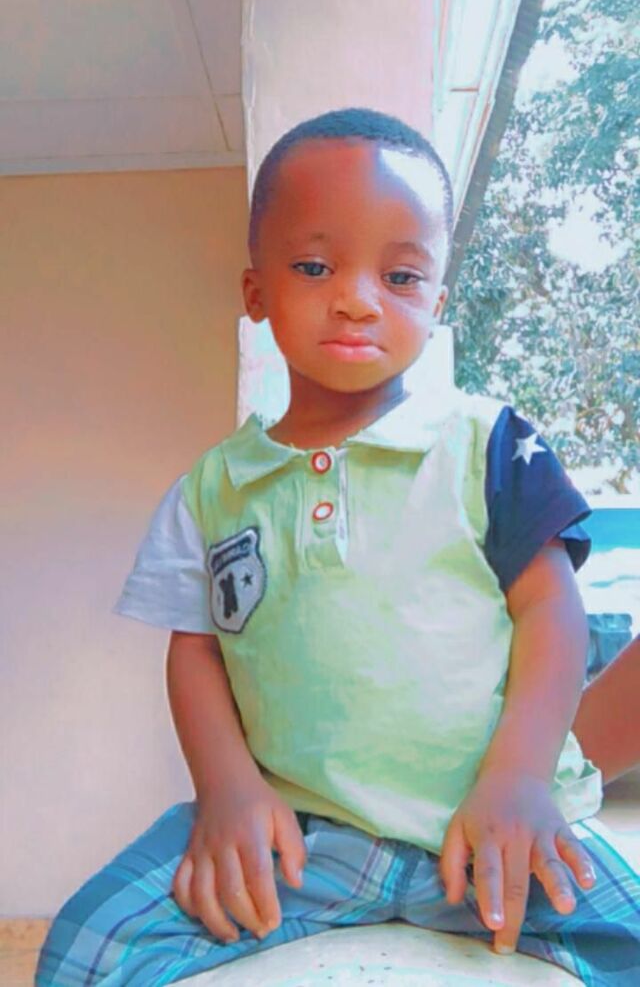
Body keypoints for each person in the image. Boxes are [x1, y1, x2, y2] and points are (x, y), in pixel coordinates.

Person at [37, 109, 639, 986]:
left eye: (400, 275)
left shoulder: (488, 445)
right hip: (300, 841)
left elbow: (552, 608)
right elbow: (196, 650)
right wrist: (227, 790)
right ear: (256, 293)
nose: (358, 298)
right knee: (85, 947)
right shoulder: (215, 488)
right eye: (315, 267)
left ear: (436, 303)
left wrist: (519, 780)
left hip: (486, 832)